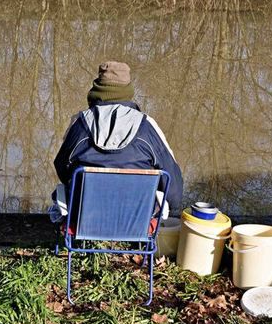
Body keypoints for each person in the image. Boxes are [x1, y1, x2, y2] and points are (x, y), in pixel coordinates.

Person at [49, 61, 183, 223]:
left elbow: (62, 167)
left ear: (97, 89)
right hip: (136, 222)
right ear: (128, 91)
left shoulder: (80, 124)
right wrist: (171, 206)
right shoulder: (147, 126)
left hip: (86, 220)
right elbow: (173, 188)